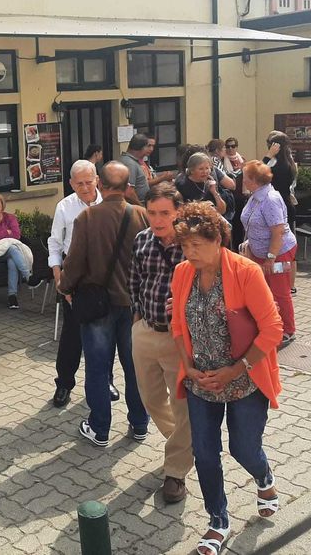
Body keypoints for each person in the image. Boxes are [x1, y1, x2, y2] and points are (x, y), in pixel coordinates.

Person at [170, 202, 283, 555]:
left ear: (217, 239)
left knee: (243, 448)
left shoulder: (246, 272)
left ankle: (264, 477)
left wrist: (235, 369)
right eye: (185, 246)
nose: (190, 253)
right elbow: (177, 325)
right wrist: (187, 366)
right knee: (204, 454)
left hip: (244, 381)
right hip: (201, 382)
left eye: (197, 246)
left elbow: (272, 329)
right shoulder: (182, 273)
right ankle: (218, 520)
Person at [58, 161, 151, 447]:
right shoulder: (142, 215)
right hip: (134, 306)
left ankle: (99, 428)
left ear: (101, 184)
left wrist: (66, 288)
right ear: (127, 187)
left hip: (97, 305)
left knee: (98, 368)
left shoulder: (87, 218)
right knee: (135, 367)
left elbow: (73, 262)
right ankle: (139, 424)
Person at [128, 183, 192, 503]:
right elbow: (136, 281)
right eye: (152, 213)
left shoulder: (192, 244)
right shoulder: (142, 240)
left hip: (180, 339)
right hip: (145, 332)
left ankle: (176, 471)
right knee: (151, 399)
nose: (157, 219)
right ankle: (185, 443)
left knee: (182, 405)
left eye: (164, 213)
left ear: (178, 212)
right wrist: (137, 319)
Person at [48, 160, 117, 407]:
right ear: (71, 184)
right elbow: (55, 243)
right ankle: (64, 383)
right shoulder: (64, 207)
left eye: (89, 182)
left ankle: (106, 380)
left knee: (105, 334)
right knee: (72, 335)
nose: (85, 188)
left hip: (105, 276)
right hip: (74, 276)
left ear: (97, 179)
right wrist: (59, 277)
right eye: (79, 184)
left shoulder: (110, 203)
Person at [240, 161, 298, 347]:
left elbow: (278, 231)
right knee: (263, 292)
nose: (243, 179)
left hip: (278, 252)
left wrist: (271, 258)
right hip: (259, 251)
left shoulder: (270, 199)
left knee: (280, 292)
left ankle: (288, 331)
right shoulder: (256, 196)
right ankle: (270, 325)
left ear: (254, 180)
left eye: (245, 177)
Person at [0, 193, 41, 309]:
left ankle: (12, 297)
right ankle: (28, 277)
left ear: (2, 205)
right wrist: (6, 233)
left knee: (12, 259)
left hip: (10, 253)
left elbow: (17, 235)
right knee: (13, 249)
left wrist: (1, 235)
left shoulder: (10, 218)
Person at [121, 134, 175, 204]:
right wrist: (141, 207)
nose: (151, 149)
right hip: (137, 206)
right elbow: (128, 192)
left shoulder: (134, 161)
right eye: (148, 146)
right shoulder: (130, 163)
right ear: (141, 147)